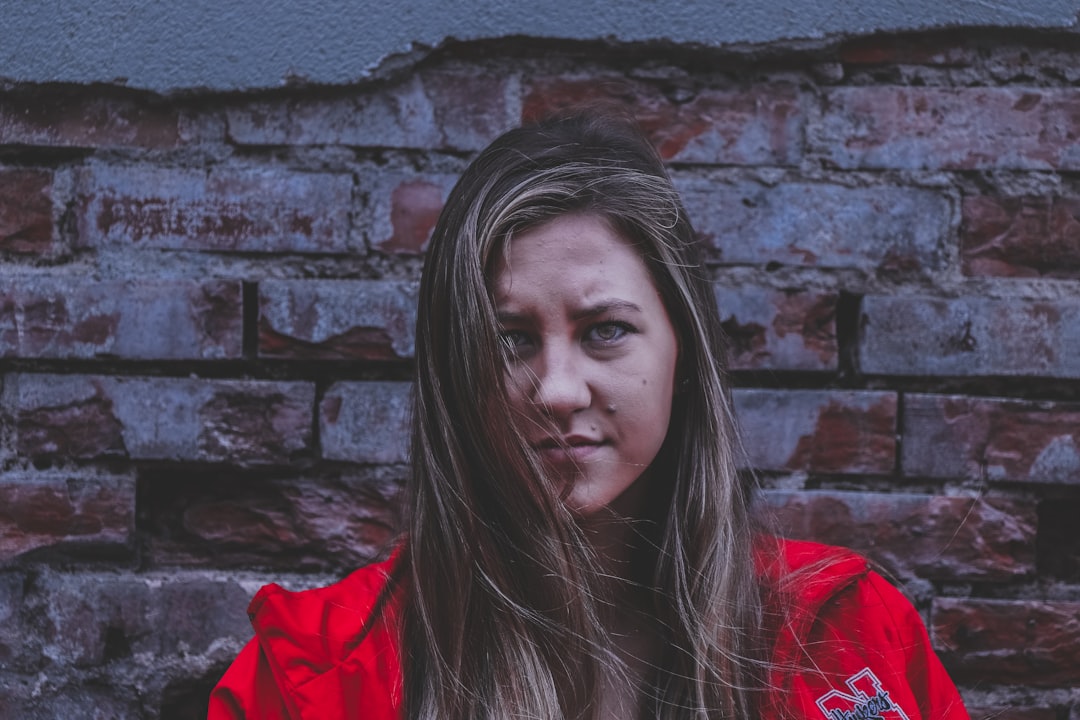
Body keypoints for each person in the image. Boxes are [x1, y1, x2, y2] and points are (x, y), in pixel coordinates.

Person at [208, 111, 970, 720]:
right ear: (452, 374)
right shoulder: (314, 677)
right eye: (508, 340)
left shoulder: (848, 637)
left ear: (684, 351)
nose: (559, 391)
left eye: (605, 329)